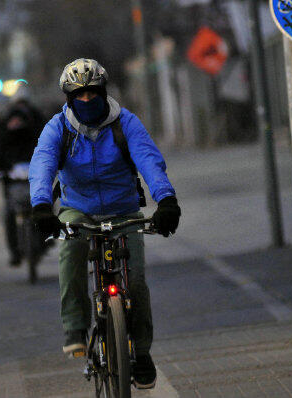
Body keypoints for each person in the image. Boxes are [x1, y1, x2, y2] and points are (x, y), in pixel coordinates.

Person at [28, 58, 181, 389]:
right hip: (77, 209)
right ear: (68, 97)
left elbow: (149, 161)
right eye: (78, 95)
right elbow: (42, 165)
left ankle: (141, 352)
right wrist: (41, 206)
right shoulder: (58, 128)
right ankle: (74, 326)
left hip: (124, 211)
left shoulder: (125, 123)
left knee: (136, 281)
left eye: (92, 93)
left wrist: (166, 199)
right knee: (70, 252)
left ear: (103, 91)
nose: (86, 101)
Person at [0, 89, 46, 266]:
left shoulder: (37, 124)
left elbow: (47, 148)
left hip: (35, 180)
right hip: (11, 183)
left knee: (44, 209)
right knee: (9, 214)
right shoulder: (3, 130)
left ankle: (43, 242)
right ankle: (15, 252)